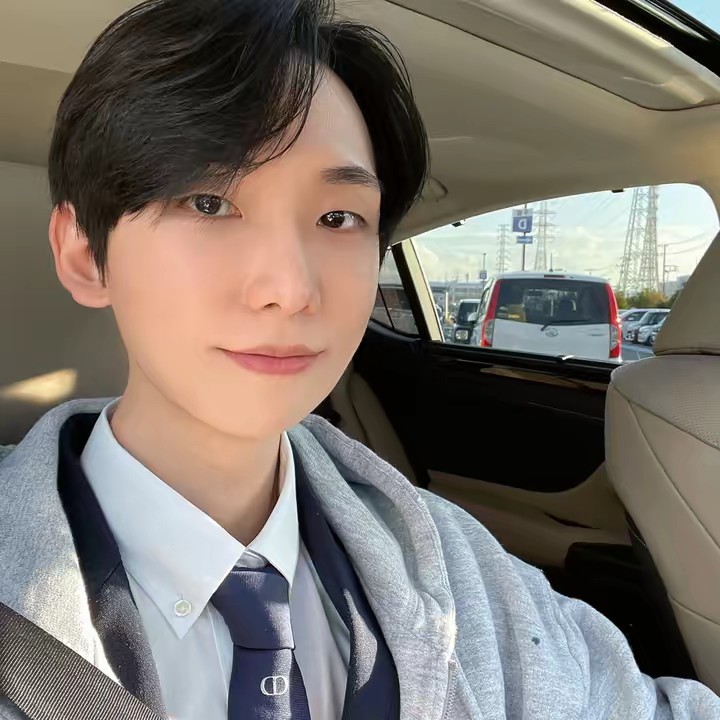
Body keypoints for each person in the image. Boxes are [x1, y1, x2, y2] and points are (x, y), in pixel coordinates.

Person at [0, 1, 719, 719]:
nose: (291, 288)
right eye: (208, 203)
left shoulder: (454, 563)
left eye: (337, 218)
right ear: (85, 253)